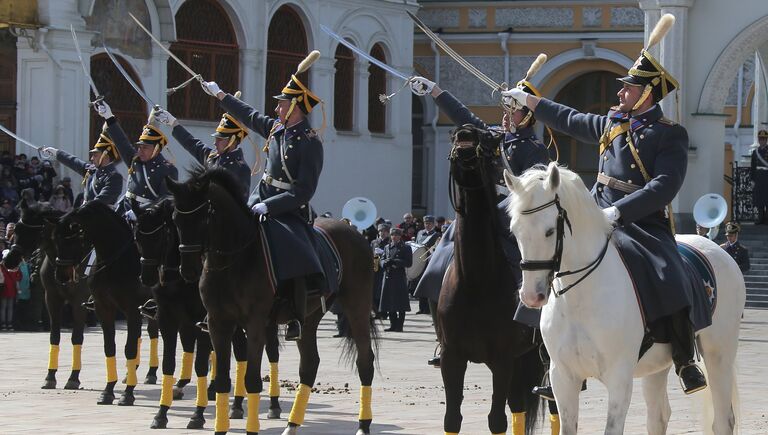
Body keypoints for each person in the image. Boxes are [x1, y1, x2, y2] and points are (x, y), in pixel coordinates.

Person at [506, 32, 709, 394]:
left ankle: (684, 358)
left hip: (641, 221)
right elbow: (570, 118)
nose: (620, 93)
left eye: (628, 88)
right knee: (551, 264)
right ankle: (556, 361)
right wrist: (531, 101)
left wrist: (621, 211)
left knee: (669, 273)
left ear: (647, 94)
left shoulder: (670, 134)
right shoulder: (611, 124)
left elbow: (665, 185)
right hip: (594, 212)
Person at [409, 62, 550, 367]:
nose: (505, 114)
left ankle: (537, 335)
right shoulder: (495, 136)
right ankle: (444, 334)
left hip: (511, 219)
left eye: (512, 110)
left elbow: (529, 196)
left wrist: (496, 208)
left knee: (524, 267)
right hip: (481, 215)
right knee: (441, 258)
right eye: (506, 108)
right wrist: (435, 91)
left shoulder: (535, 150)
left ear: (526, 115)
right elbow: (465, 117)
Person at [199, 50, 324, 341]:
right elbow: (249, 115)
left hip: (288, 207)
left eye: (281, 105)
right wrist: (221, 96)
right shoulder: (275, 130)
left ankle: (295, 312)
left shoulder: (310, 142)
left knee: (292, 247)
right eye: (278, 106)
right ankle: (218, 302)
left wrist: (271, 205)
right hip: (260, 197)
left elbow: (304, 189)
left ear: (295, 107)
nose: (277, 110)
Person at [93, 101, 178, 216]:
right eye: (139, 147)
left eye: (145, 148)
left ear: (157, 149)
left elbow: (165, 199)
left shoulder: (168, 170)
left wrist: (139, 211)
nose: (140, 151)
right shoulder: (135, 161)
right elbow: (121, 141)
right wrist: (108, 116)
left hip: (148, 216)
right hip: (124, 209)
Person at [153, 104, 251, 196]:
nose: (215, 143)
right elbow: (192, 143)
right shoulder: (213, 157)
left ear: (232, 141)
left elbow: (239, 204)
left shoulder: (241, 169)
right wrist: (173, 123)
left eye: (220, 139)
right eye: (216, 139)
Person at [42, 122, 124, 208]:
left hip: (103, 217)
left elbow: (101, 201)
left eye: (95, 155)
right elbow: (73, 161)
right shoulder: (92, 171)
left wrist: (80, 211)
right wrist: (55, 153)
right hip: (86, 213)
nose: (92, 159)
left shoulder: (114, 176)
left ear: (105, 156)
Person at [378, 227, 413, 332]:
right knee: (389, 302)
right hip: (388, 276)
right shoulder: (387, 247)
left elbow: (408, 263)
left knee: (400, 303)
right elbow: (382, 259)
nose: (394, 237)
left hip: (399, 277)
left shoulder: (406, 248)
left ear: (400, 236)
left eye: (396, 235)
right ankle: (393, 325)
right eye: (392, 235)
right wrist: (384, 263)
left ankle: (400, 325)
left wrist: (395, 262)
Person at [371, 223, 391, 319]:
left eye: (384, 231)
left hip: (385, 269)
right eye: (380, 231)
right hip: (375, 268)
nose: (382, 233)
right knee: (374, 292)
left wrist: (383, 252)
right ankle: (377, 312)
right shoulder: (374, 242)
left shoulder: (390, 242)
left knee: (383, 292)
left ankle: (384, 313)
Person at [0, 250, 22, 330]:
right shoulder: (15, 266)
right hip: (12, 288)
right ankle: (9, 324)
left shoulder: (1, 266)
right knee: (10, 307)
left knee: (3, 307)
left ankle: (3, 324)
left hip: (3, 288)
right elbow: (18, 278)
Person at [750, 129, 768, 224]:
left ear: (766, 140)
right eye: (761, 139)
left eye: (764, 139)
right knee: (759, 199)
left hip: (766, 177)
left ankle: (766, 219)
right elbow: (752, 167)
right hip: (758, 177)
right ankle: (760, 218)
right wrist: (752, 180)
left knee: (767, 198)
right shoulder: (755, 152)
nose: (762, 141)